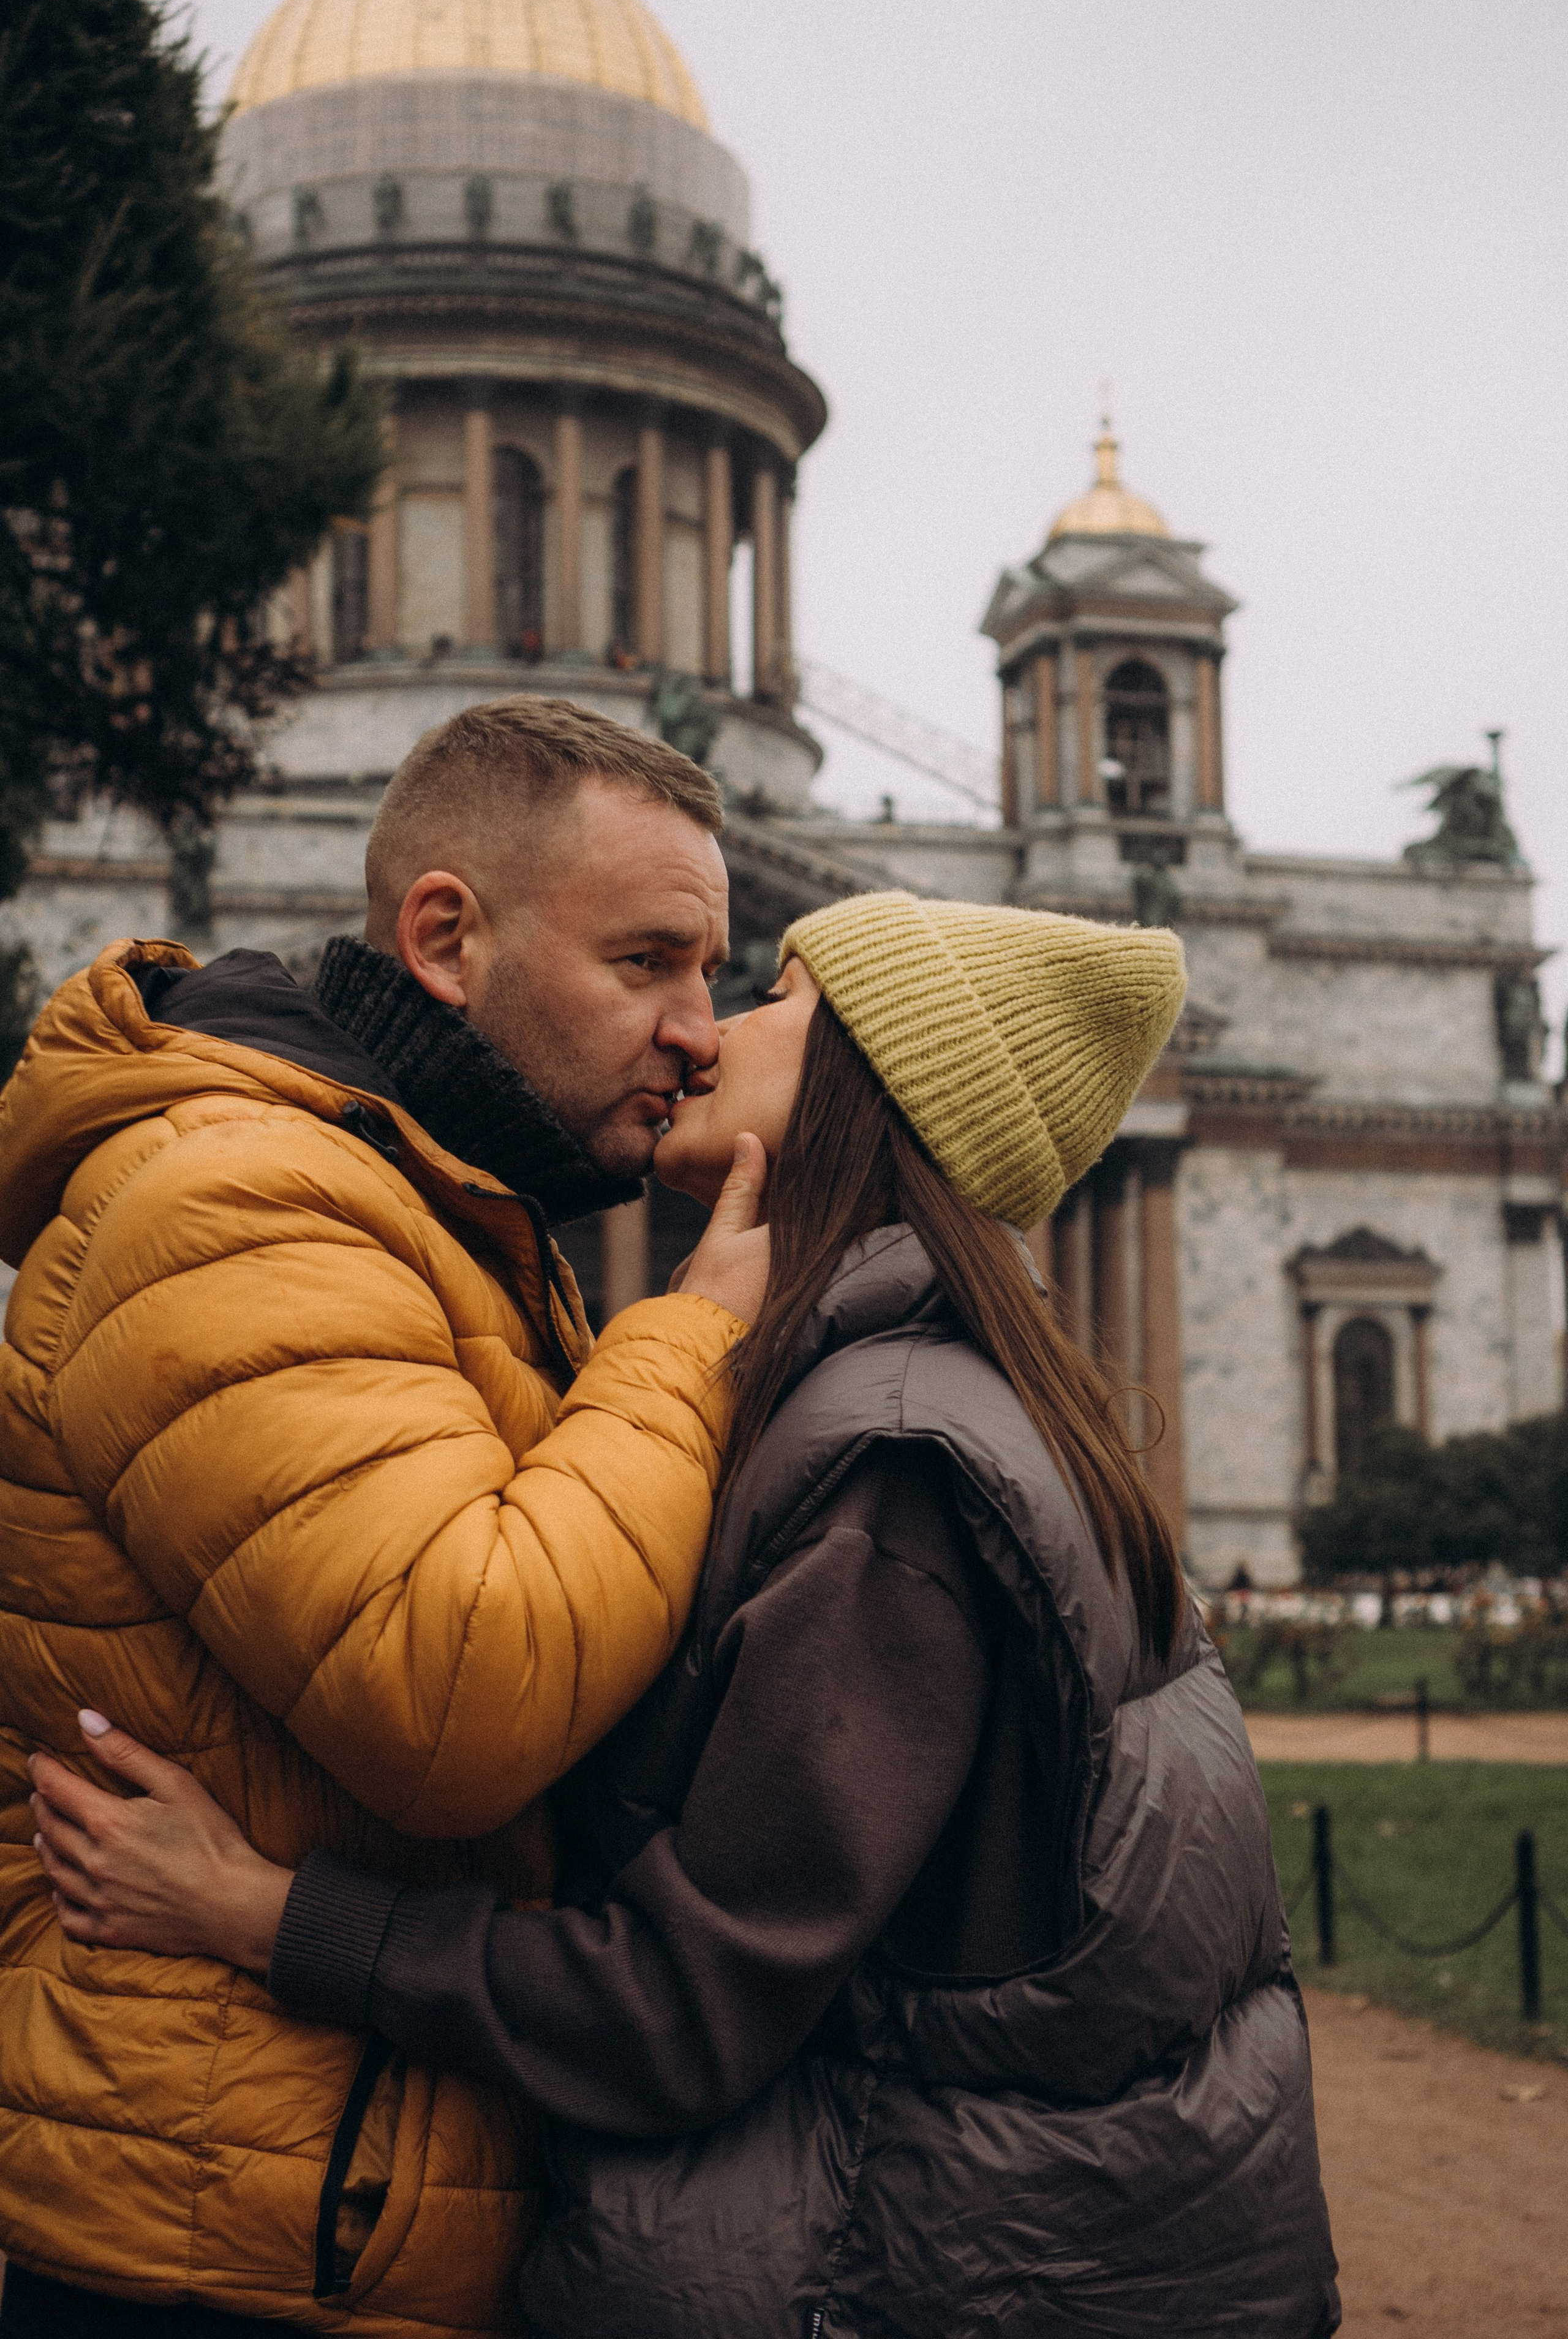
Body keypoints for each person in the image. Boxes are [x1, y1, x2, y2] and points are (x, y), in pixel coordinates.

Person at [29, 892, 1342, 2338]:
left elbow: (676, 2003)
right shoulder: (920, 1402)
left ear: (871, 1082)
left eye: (772, 999)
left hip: (890, 2271)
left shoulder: (885, 1465)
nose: (706, 1031)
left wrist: (265, 1911)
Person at [0, 698, 772, 2339]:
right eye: (650, 964)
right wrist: (693, 1338)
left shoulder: (434, 1206)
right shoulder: (240, 1201)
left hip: (330, 2185)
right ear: (444, 936)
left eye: (715, 976)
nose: (700, 1033)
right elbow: (461, 1690)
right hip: (236, 2233)